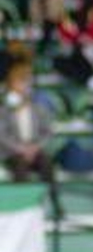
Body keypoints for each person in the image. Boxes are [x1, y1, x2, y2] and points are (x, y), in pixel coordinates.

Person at [1, 69, 58, 213]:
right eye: (16, 87)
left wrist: (35, 147)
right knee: (20, 166)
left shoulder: (39, 109)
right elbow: (2, 135)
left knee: (47, 163)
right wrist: (20, 149)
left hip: (35, 149)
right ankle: (22, 207)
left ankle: (54, 202)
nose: (20, 90)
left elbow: (48, 132)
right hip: (13, 152)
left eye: (23, 86)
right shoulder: (4, 111)